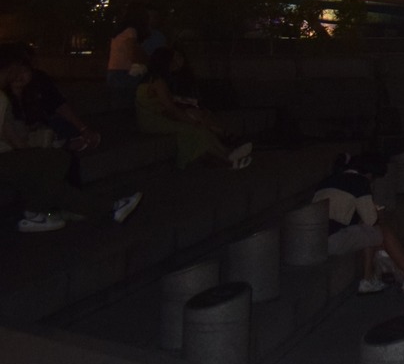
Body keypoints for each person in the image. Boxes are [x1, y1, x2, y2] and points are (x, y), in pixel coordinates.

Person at [1, 44, 139, 232]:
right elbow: (11, 135)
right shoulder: (3, 96)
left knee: (54, 175)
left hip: (12, 153)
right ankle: (34, 212)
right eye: (15, 71)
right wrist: (37, 155)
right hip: (7, 157)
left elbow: (48, 111)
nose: (16, 76)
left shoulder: (25, 88)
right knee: (55, 160)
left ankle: (112, 209)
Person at [313, 152, 404, 293]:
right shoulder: (359, 182)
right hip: (333, 238)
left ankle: (368, 280)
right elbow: (371, 220)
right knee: (383, 231)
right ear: (369, 174)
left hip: (317, 239)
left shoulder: (328, 181)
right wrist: (379, 214)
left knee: (369, 232)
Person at [135, 50, 250, 169]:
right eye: (172, 61)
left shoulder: (153, 79)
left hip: (155, 118)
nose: (175, 63)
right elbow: (170, 108)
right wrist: (190, 121)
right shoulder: (158, 82)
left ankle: (227, 154)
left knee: (199, 127)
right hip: (155, 121)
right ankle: (226, 158)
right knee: (195, 130)